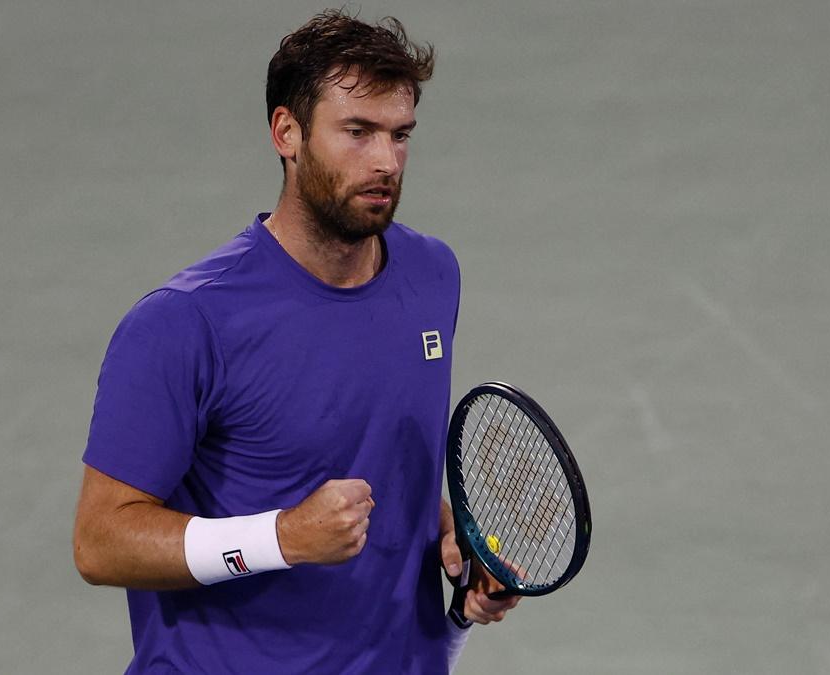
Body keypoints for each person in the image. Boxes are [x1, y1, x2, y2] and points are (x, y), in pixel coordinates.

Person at [72, 10, 519, 674]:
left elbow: (380, 459)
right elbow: (101, 541)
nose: (385, 161)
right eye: (357, 132)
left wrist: (450, 537)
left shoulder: (431, 276)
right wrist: (280, 537)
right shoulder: (184, 323)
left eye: (400, 135)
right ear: (287, 132)